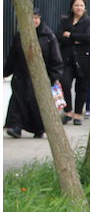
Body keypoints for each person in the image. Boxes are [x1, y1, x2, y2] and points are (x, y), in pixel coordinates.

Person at [4, 8, 63, 139]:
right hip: (21, 76)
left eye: (36, 18)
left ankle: (39, 129)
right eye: (31, 18)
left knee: (37, 106)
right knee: (18, 103)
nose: (34, 21)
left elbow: (56, 59)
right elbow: (12, 56)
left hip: (40, 80)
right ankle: (16, 127)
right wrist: (5, 72)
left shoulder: (48, 36)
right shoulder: (20, 35)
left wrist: (53, 77)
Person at [55, 0, 90, 126]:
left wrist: (71, 35)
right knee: (65, 82)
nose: (79, 8)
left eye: (81, 5)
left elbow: (89, 37)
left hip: (84, 59)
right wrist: (77, 39)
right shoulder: (64, 21)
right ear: (72, 6)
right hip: (68, 59)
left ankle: (78, 114)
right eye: (76, 5)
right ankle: (68, 112)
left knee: (82, 87)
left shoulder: (89, 21)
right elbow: (59, 37)